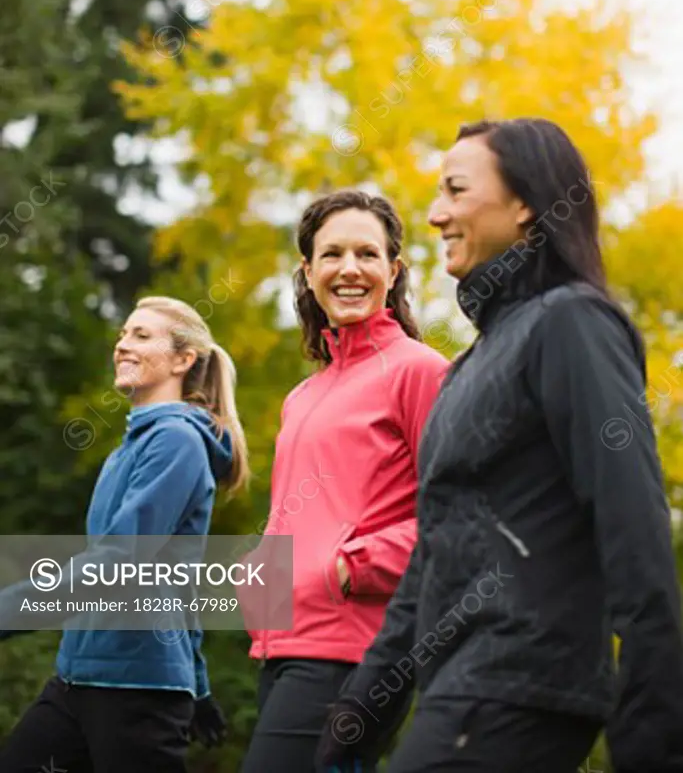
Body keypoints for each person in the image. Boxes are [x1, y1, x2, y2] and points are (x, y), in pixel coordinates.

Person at [316, 118, 683, 773]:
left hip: (521, 683)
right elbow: (432, 554)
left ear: (523, 205)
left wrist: (652, 723)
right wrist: (358, 713)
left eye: (456, 190)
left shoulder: (570, 323)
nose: (434, 215)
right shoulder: (470, 366)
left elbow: (631, 519)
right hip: (460, 687)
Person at [240, 189, 450, 773]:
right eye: (332, 255)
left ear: (394, 270)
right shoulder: (303, 395)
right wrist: (259, 578)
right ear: (308, 272)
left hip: (359, 651)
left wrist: (352, 566)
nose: (350, 269)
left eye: (367, 253)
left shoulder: (421, 370)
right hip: (283, 645)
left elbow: (460, 514)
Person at [0, 295, 249, 773]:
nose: (123, 345)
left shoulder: (175, 441)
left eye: (141, 335)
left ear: (183, 359)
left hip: (135, 689)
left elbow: (117, 560)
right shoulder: (128, 449)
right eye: (122, 334)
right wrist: (198, 684)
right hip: (79, 677)